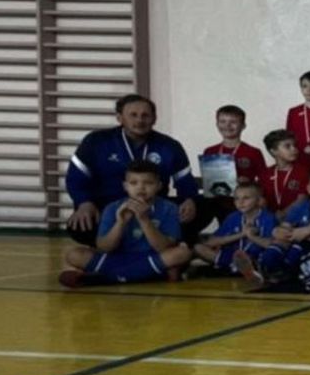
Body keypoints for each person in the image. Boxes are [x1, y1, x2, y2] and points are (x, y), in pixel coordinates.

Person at [66, 94, 201, 246]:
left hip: (155, 208)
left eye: (145, 115)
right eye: (133, 115)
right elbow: (76, 178)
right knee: (80, 226)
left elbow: (185, 181)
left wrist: (189, 199)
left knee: (201, 207)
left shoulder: (170, 146)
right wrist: (84, 202)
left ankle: (166, 247)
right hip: (108, 207)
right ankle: (114, 247)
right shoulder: (96, 141)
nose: (139, 120)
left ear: (154, 118)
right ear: (120, 118)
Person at [59, 160, 191, 287]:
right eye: (134, 183)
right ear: (125, 186)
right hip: (117, 258)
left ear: (159, 186)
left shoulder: (169, 208)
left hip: (152, 257)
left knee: (182, 253)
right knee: (74, 255)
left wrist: (144, 220)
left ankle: (106, 277)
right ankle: (148, 275)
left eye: (148, 183)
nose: (141, 187)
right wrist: (120, 223)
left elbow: (164, 248)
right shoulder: (112, 208)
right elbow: (104, 247)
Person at [239, 168, 310, 287]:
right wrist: (281, 232)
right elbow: (285, 226)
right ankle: (265, 268)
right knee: (277, 243)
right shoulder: (302, 207)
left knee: (298, 246)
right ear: (309, 189)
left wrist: (303, 232)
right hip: (296, 240)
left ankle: (274, 273)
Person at [200, 103, 267, 227]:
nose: (227, 126)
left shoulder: (253, 152)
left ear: (243, 125)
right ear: (217, 124)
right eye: (223, 121)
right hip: (216, 199)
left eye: (233, 122)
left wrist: (248, 183)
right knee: (196, 207)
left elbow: (264, 180)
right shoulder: (210, 151)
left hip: (242, 202)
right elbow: (207, 179)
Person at [191, 180, 277, 275]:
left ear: (259, 200)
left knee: (271, 255)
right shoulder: (233, 217)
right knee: (198, 248)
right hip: (231, 257)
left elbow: (274, 245)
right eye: (236, 198)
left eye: (246, 198)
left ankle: (236, 269)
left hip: (255, 258)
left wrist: (252, 237)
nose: (240, 202)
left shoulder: (268, 218)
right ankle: (237, 267)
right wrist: (242, 234)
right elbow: (211, 241)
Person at [260, 129, 310, 216]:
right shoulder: (265, 174)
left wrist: (283, 213)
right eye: (287, 146)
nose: (294, 149)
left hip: (296, 217)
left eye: (294, 145)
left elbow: (302, 199)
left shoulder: (303, 172)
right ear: (273, 151)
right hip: (270, 217)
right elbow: (261, 200)